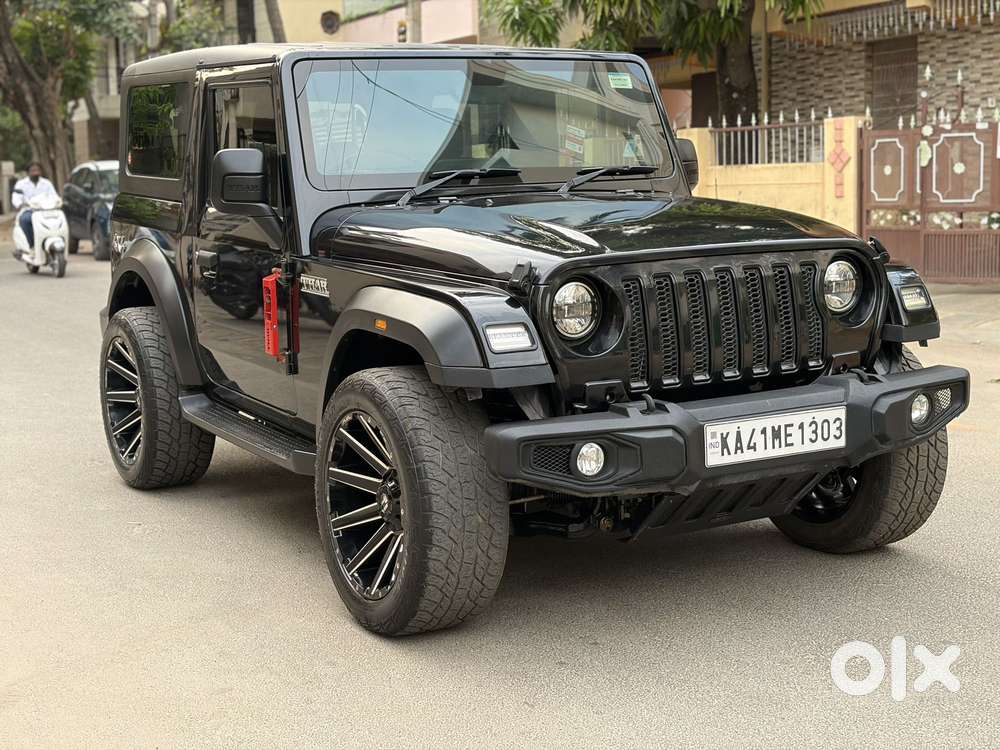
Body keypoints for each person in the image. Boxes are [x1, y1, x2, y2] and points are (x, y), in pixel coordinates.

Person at [12, 162, 58, 250]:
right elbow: (16, 198)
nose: (35, 172)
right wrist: (20, 204)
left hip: (46, 211)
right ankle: (31, 244)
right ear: (28, 172)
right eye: (33, 170)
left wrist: (56, 201)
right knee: (25, 220)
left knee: (57, 219)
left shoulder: (46, 183)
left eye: (37, 170)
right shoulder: (21, 184)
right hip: (29, 210)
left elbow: (54, 195)